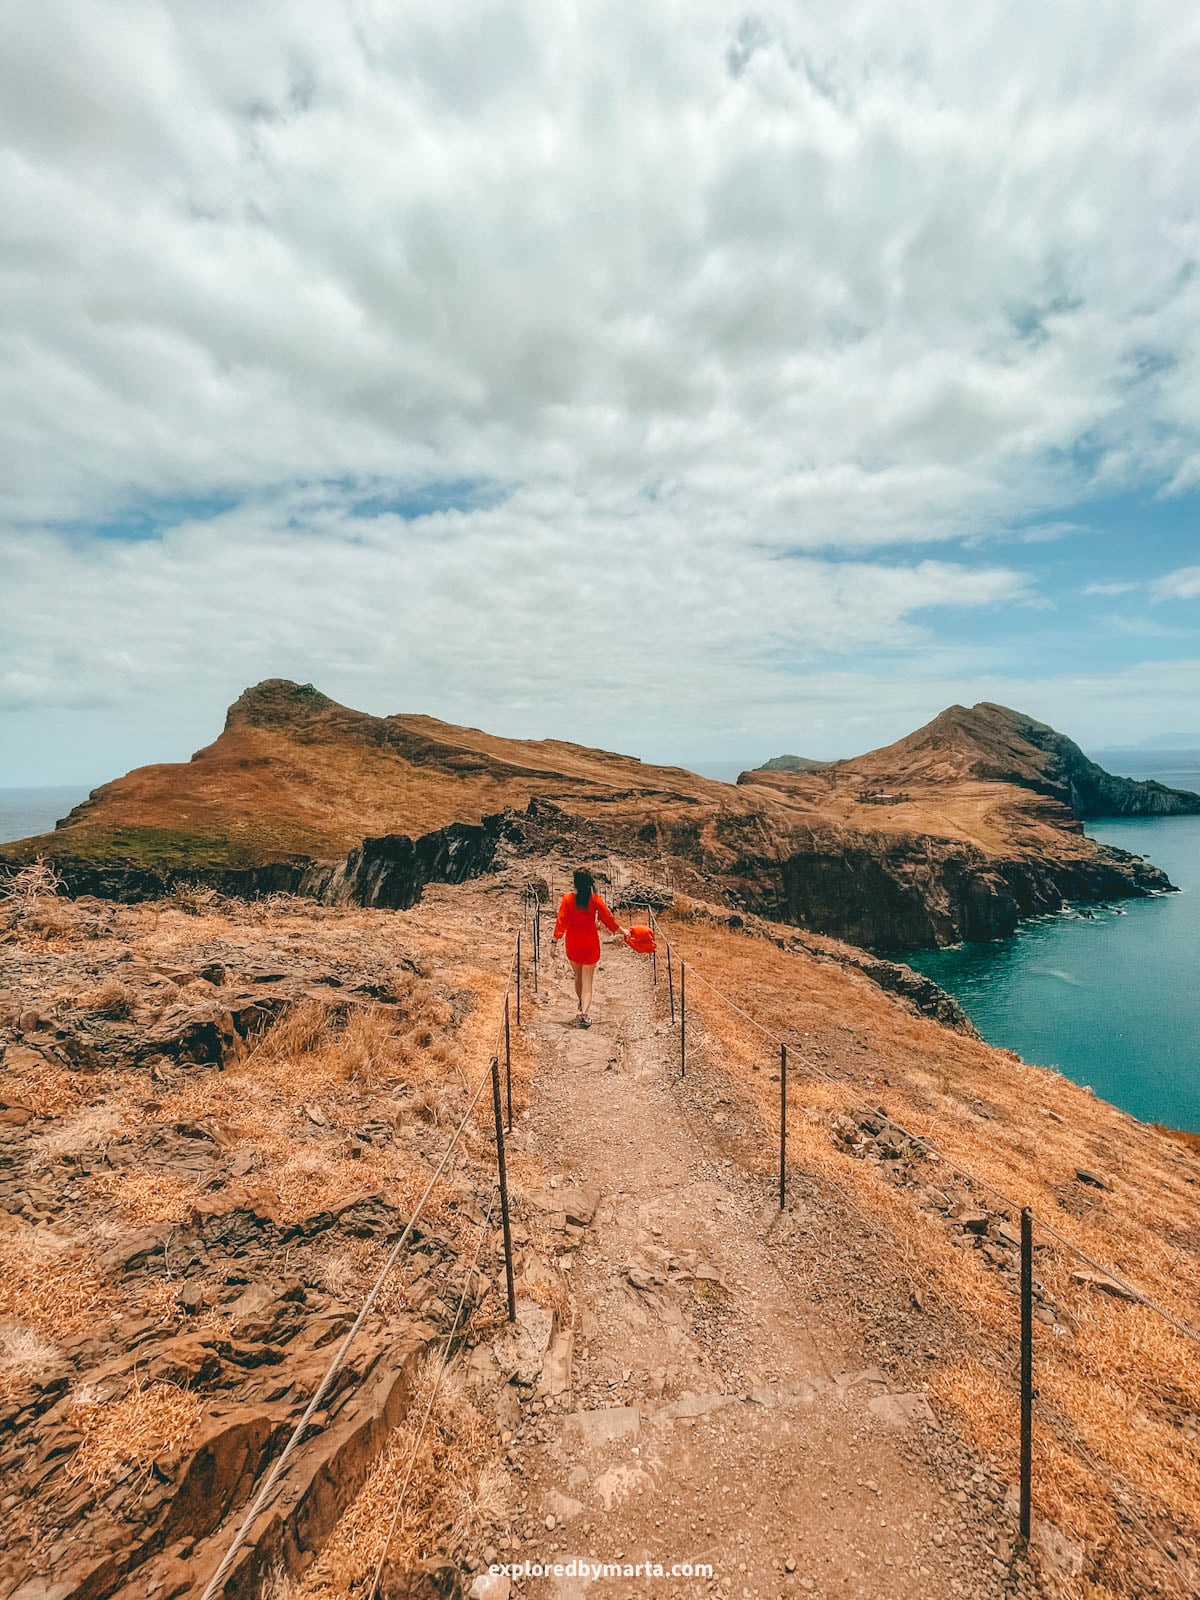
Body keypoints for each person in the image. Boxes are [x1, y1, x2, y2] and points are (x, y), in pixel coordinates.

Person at [551, 868, 627, 1027]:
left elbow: (561, 922)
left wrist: (554, 942)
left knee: (577, 976)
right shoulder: (595, 900)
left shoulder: (567, 899)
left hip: (573, 943)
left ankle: (581, 1003)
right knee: (588, 981)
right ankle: (584, 1013)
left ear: (575, 883)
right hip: (590, 943)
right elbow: (609, 919)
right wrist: (623, 931)